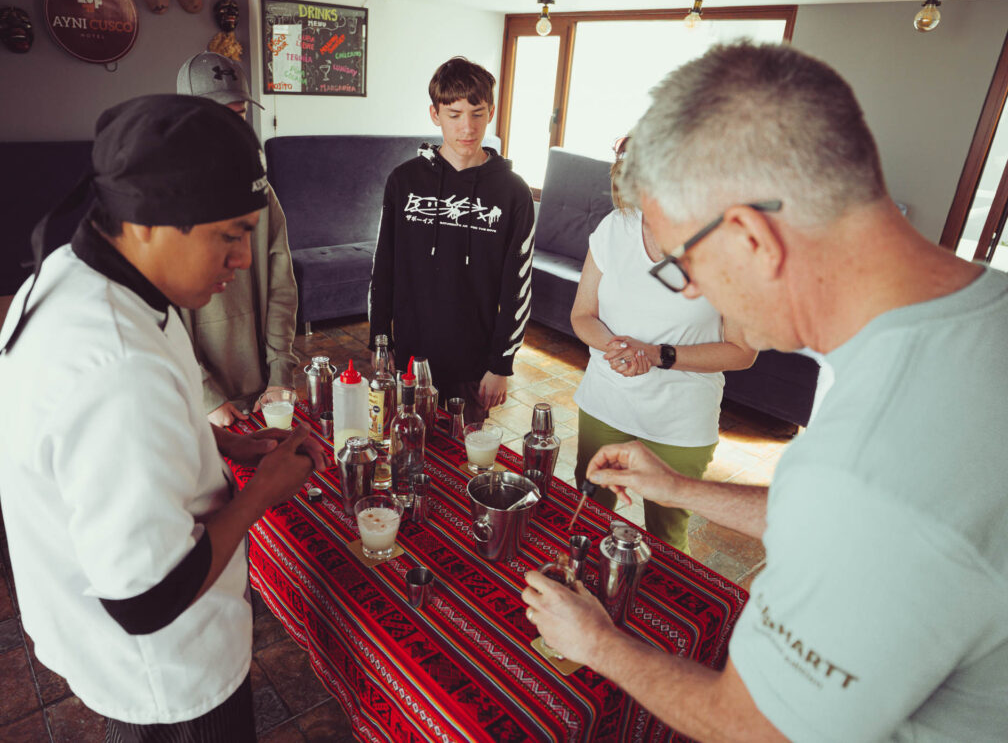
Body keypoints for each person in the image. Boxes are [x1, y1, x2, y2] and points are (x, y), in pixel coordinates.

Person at [522, 40, 1008, 741]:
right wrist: (684, 490)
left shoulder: (874, 467)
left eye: (681, 265)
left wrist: (597, 643)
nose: (687, 289)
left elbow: (756, 729)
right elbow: (840, 519)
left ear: (750, 236)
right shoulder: (970, 320)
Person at [0, 95, 325, 741]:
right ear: (145, 221)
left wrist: (225, 439)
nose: (244, 260)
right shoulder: (116, 365)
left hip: (113, 645)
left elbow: (112, 445)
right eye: (228, 236)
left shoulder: (80, 269)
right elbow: (148, 599)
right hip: (169, 674)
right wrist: (263, 493)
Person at [571, 136, 755, 552]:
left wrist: (656, 355)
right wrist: (619, 348)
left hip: (679, 424)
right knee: (585, 521)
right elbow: (582, 315)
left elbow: (743, 351)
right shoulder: (614, 228)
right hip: (606, 404)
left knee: (667, 544)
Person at [367, 56, 535, 423]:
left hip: (474, 366)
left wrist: (501, 364)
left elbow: (517, 285)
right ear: (434, 114)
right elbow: (384, 266)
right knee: (403, 455)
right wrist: (381, 341)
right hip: (410, 358)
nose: (467, 127)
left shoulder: (513, 192)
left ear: (491, 111)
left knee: (462, 466)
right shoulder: (404, 181)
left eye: (477, 113)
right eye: (454, 114)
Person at [177, 51, 299, 427]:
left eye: (240, 116)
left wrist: (280, 373)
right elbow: (157, 316)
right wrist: (204, 394)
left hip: (261, 391)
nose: (232, 131)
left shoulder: (261, 192)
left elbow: (282, 288)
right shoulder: (165, 200)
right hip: (191, 399)